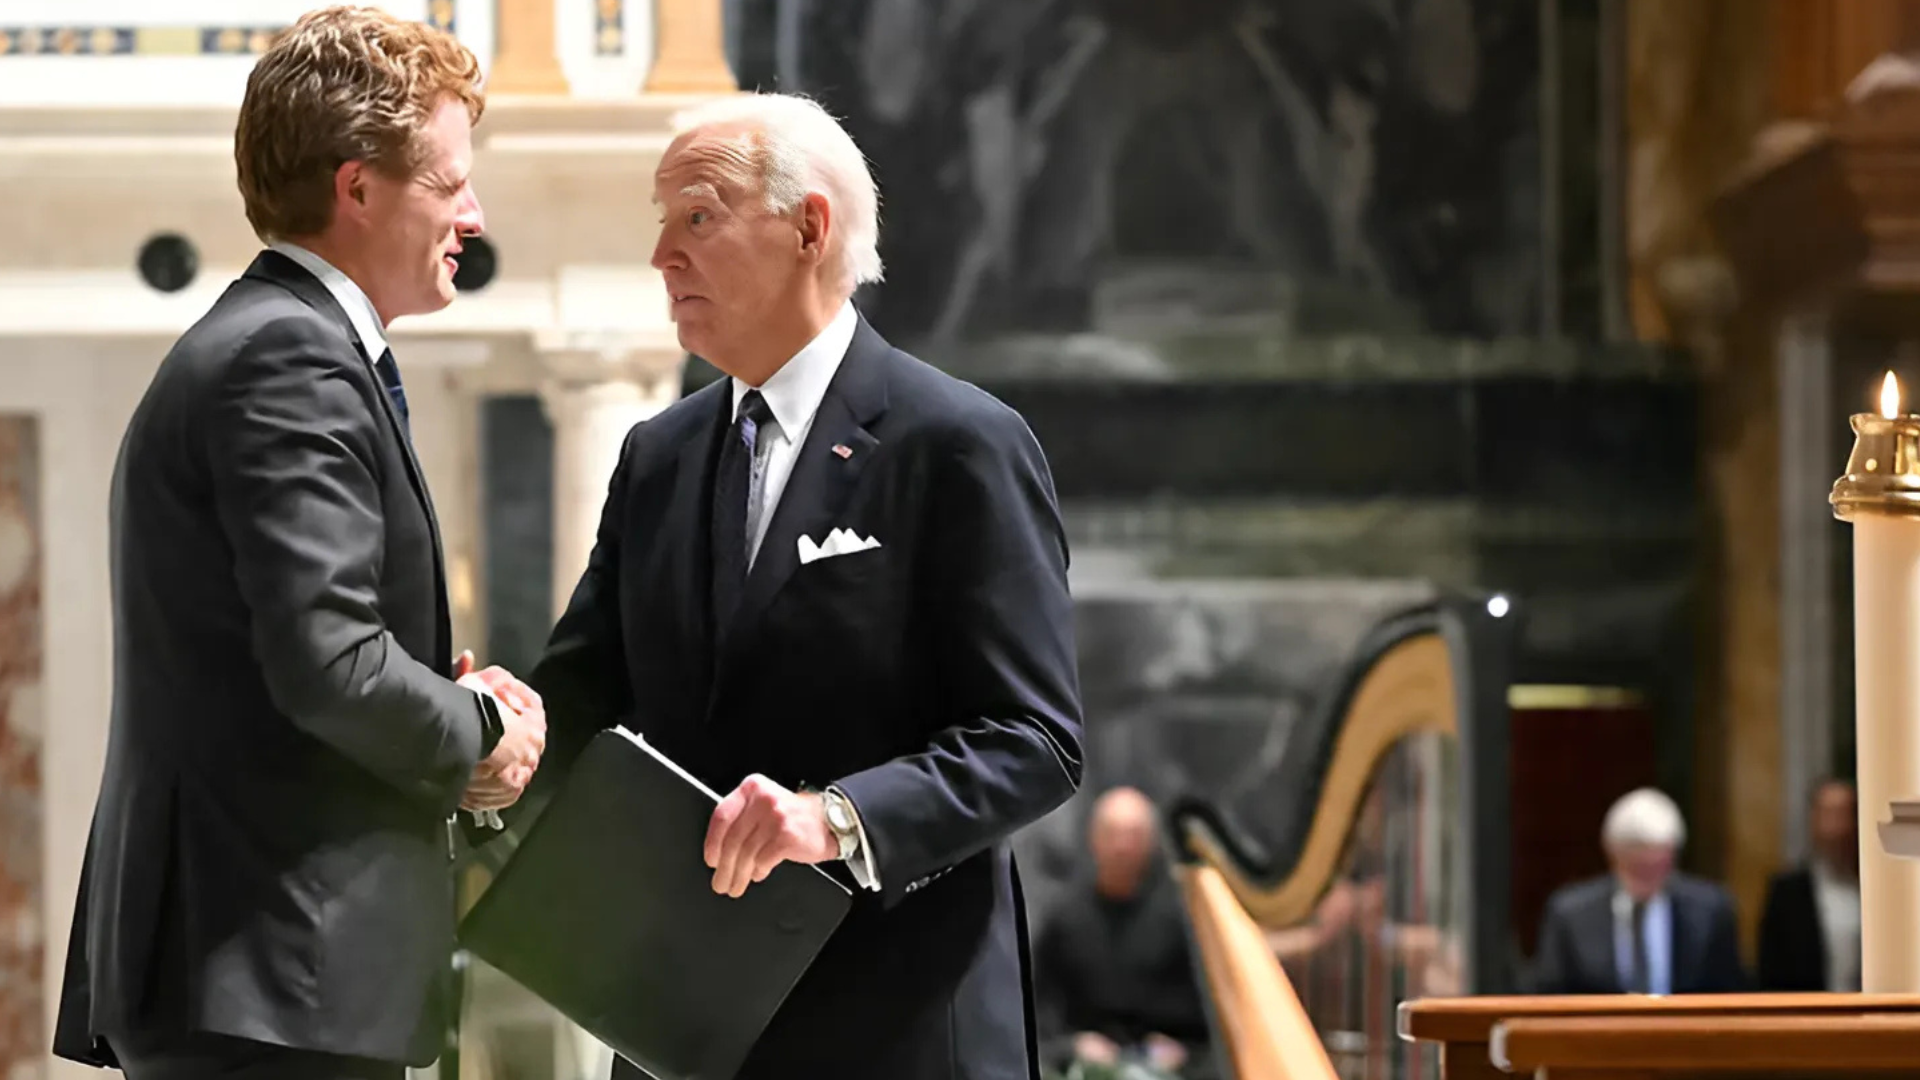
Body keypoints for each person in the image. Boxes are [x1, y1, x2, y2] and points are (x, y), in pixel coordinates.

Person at [520, 91, 1085, 1080]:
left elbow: (1033, 740)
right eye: (663, 223)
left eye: (696, 216)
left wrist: (834, 818)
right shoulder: (657, 456)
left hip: (901, 1032)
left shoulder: (958, 444)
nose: (663, 256)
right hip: (682, 1034)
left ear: (809, 228)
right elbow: (577, 699)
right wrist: (485, 736)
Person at [51, 8, 545, 1078]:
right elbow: (330, 664)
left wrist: (438, 710)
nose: (475, 212)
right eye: (451, 181)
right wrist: (479, 729)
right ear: (357, 186)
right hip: (273, 975)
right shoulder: (291, 358)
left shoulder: (279, 345)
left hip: (261, 975)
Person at [1033, 787, 1211, 1079]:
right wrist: (1071, 1045)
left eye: (1133, 834)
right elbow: (1041, 1006)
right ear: (1093, 838)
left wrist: (1184, 1050)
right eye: (1112, 833)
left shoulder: (1183, 917)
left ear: (1152, 841)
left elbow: (1207, 1015)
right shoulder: (1065, 917)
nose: (1122, 846)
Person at [1529, 787, 1748, 995]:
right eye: (1638, 866)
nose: (1648, 876)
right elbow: (1550, 993)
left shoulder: (1710, 912)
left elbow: (1730, 993)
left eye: (1658, 865)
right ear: (1612, 852)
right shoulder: (1571, 915)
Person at [1758, 778, 1861, 991]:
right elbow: (1769, 973)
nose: (1835, 828)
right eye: (1827, 814)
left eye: (1842, 814)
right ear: (1813, 820)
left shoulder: (1876, 892)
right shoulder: (1787, 893)